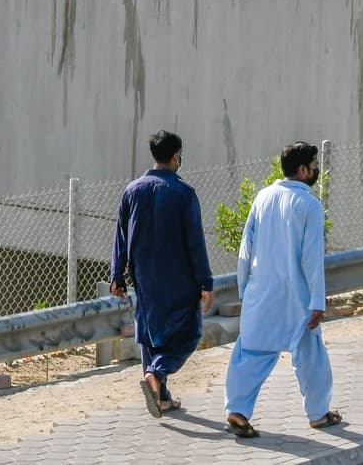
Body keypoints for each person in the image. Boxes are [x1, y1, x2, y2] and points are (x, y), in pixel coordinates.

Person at [225, 142, 338, 439]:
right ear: (303, 170)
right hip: (296, 296)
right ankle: (318, 413)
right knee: (310, 353)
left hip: (260, 291)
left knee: (250, 352)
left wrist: (244, 288)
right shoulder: (310, 205)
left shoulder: (263, 196)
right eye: (313, 165)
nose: (316, 170)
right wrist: (317, 299)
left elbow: (245, 247)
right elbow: (311, 257)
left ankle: (237, 410)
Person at [110, 130, 214, 419]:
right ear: (175, 156)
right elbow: (195, 241)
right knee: (188, 332)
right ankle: (155, 373)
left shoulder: (132, 190)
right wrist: (205, 281)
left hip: (143, 274)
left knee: (150, 332)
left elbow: (120, 235)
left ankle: (162, 396)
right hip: (179, 275)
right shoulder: (183, 193)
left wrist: (116, 274)